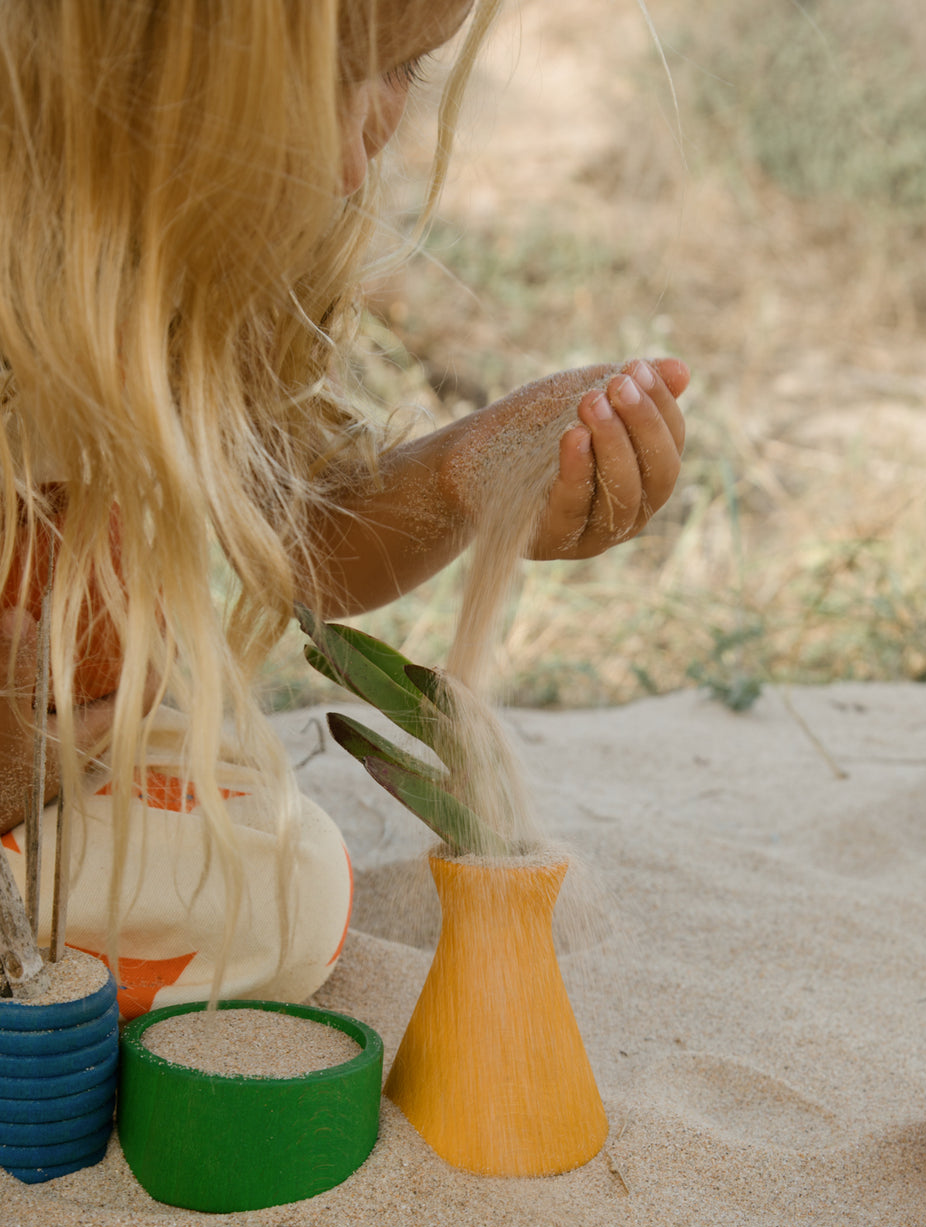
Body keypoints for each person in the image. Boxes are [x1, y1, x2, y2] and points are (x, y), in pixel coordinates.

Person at [0, 0, 688, 1016]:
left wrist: (471, 471)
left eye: (403, 69)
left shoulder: (196, 255)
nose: (346, 164)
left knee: (280, 888)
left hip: (76, 748)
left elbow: (308, 543)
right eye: (308, 81)